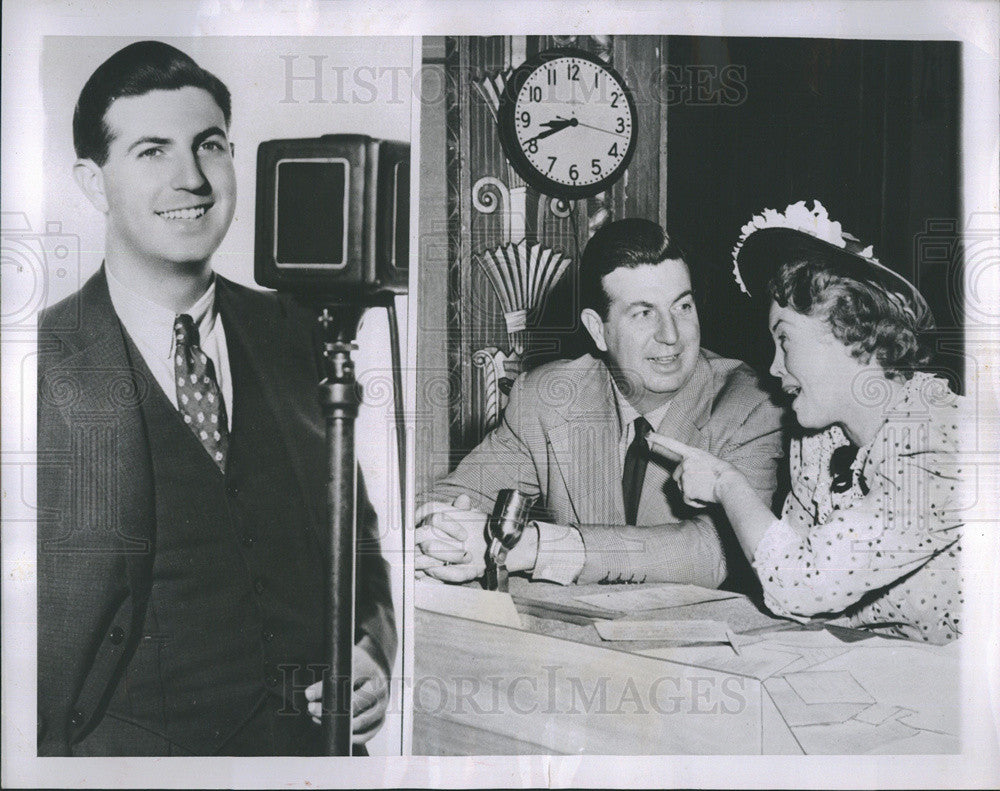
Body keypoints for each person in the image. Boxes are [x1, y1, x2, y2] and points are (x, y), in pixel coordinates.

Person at [37, 41, 395, 756]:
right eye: (151, 152)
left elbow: (357, 537)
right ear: (92, 180)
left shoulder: (300, 329)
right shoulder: (37, 361)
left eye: (210, 146)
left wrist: (373, 646)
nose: (192, 179)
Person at [651, 201, 965, 644]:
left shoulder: (943, 438)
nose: (774, 368)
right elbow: (783, 588)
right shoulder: (819, 441)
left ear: (850, 332)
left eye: (785, 341)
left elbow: (801, 586)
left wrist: (727, 484)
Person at [416, 218, 784, 588]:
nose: (670, 335)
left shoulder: (750, 404)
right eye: (644, 313)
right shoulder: (548, 396)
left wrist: (540, 548)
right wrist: (444, 530)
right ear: (597, 330)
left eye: (683, 307)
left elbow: (717, 552)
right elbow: (455, 496)